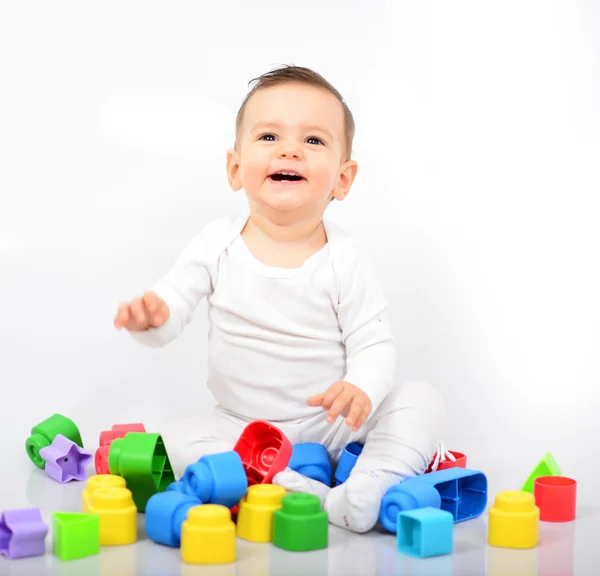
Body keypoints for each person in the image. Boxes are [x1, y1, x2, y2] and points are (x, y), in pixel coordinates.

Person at [114, 65, 446, 533]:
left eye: (313, 141)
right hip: (241, 427)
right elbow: (173, 306)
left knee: (420, 399)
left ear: (343, 179)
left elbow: (374, 345)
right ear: (235, 168)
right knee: (179, 439)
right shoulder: (217, 243)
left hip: (333, 426)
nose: (290, 149)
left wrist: (362, 390)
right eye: (269, 136)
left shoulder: (345, 256)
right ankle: (295, 487)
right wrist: (151, 318)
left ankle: (378, 475)